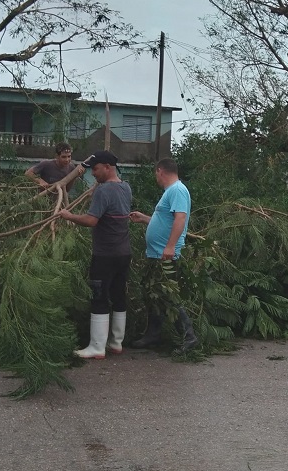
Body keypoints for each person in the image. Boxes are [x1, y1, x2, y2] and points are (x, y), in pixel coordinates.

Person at [59, 150, 131, 359]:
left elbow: (92, 220)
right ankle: (116, 343)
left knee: (99, 297)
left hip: (105, 254)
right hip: (124, 253)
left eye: (96, 169)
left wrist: (69, 215)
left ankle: (97, 347)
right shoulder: (126, 187)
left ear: (107, 167)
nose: (94, 174)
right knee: (118, 295)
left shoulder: (104, 191)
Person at [129, 158, 198, 355]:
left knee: (168, 295)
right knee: (153, 294)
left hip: (165, 255)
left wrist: (170, 247)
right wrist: (145, 219)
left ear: (160, 171)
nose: (155, 177)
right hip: (156, 255)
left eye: (155, 173)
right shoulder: (170, 192)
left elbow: (180, 219)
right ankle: (153, 334)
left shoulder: (177, 190)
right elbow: (165, 221)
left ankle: (189, 337)